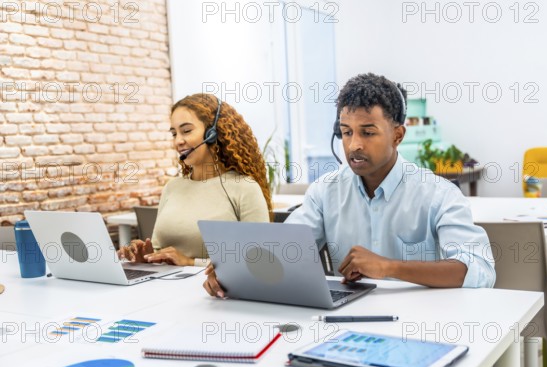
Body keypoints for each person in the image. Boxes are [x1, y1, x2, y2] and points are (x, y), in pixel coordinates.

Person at [203, 73, 495, 297]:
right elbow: (287, 249)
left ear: (397, 135)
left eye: (368, 132)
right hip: (347, 325)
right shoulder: (324, 192)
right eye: (346, 132)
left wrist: (389, 267)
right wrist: (237, 269)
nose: (354, 145)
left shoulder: (438, 194)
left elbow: (479, 271)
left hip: (420, 326)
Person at [119, 93, 271, 266]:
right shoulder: (172, 187)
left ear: (213, 133)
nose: (178, 141)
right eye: (174, 134)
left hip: (216, 292)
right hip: (164, 287)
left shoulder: (244, 188)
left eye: (186, 131)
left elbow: (259, 262)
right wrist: (145, 256)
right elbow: (158, 248)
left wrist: (190, 262)